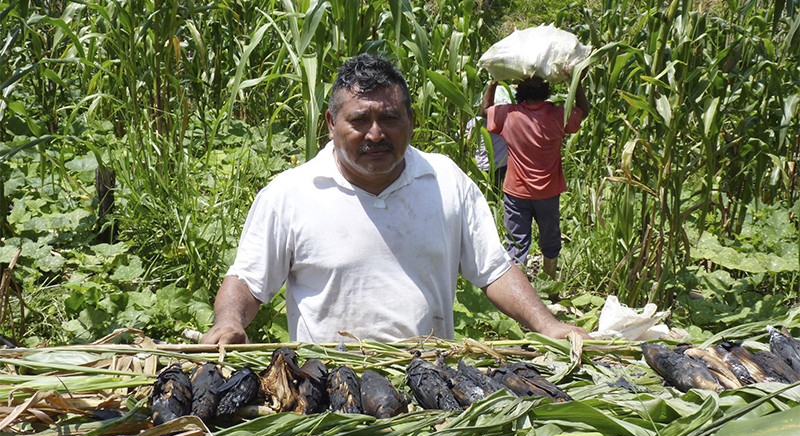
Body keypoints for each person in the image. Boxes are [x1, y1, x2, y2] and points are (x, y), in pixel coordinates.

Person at [201, 54, 589, 345]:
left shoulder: (445, 180)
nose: (375, 134)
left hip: (432, 383)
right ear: (330, 125)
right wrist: (229, 321)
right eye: (358, 121)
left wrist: (548, 324)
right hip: (330, 391)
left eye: (389, 119)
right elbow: (248, 281)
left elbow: (494, 270)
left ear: (411, 121)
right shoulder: (290, 194)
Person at [481, 75, 589, 280]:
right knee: (550, 240)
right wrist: (576, 82)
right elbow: (583, 111)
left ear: (520, 91)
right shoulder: (558, 115)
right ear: (546, 91)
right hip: (548, 193)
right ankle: (550, 285)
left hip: (516, 193)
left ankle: (517, 294)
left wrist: (494, 82)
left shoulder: (508, 115)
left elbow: (485, 111)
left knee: (516, 244)